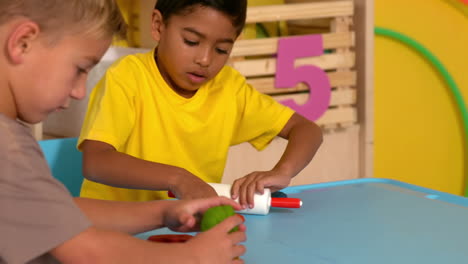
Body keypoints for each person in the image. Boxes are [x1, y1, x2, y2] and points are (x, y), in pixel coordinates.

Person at [0, 0, 246, 263]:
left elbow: (53, 213)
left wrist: (164, 213)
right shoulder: (8, 148)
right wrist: (192, 256)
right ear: (22, 42)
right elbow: (86, 250)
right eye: (80, 69)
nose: (79, 91)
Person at [79, 0, 323, 209]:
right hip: (116, 229)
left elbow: (307, 129)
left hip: (185, 229)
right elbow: (96, 162)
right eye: (191, 41)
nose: (205, 60)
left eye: (221, 49)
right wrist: (178, 178)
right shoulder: (127, 78)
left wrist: (282, 172)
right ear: (158, 25)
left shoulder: (230, 88)